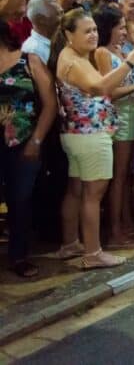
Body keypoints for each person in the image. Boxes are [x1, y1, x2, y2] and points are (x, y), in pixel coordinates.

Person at [53, 9, 134, 268]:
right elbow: (101, 88)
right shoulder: (73, 60)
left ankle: (71, 242)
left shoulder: (73, 55)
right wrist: (129, 62)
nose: (94, 35)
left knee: (77, 190)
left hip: (79, 133)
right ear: (68, 35)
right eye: (87, 31)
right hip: (89, 134)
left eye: (95, 29)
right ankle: (93, 253)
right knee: (93, 194)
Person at [0, 18, 57, 277]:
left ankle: (19, 256)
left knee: (20, 200)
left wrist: (36, 140)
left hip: (23, 142)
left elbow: (50, 104)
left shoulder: (28, 59)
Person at [93, 6, 134, 249]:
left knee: (127, 174)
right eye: (120, 28)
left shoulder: (120, 50)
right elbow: (111, 91)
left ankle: (125, 221)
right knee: (118, 176)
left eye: (125, 28)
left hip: (132, 114)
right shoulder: (102, 53)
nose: (124, 33)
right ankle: (114, 231)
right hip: (119, 117)